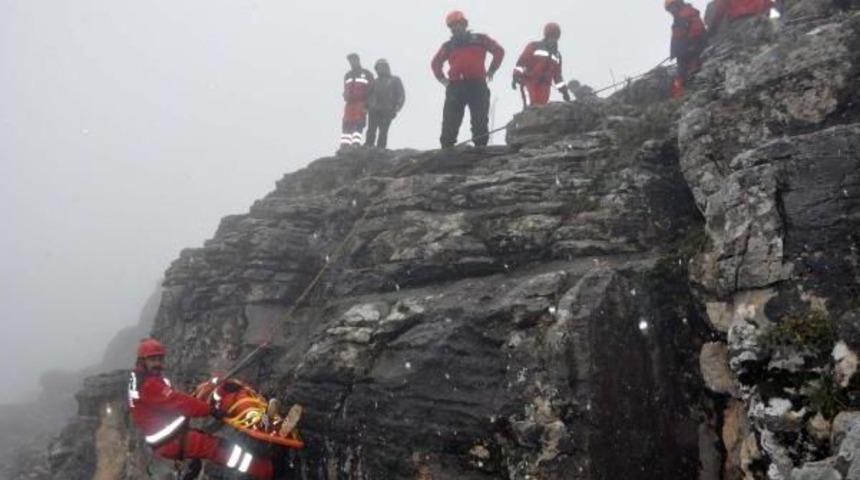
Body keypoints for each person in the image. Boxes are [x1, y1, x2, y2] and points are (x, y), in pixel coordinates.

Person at [128, 338, 276, 480]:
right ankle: (268, 471)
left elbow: (170, 400)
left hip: (167, 439)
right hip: (172, 440)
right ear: (142, 361)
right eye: (153, 360)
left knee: (216, 447)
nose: (158, 364)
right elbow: (178, 401)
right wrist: (210, 410)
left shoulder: (138, 378)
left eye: (160, 359)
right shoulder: (149, 385)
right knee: (222, 450)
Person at [431, 10, 505, 149]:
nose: (454, 27)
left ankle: (481, 150)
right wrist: (443, 80)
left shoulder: (480, 39)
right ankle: (446, 151)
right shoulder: (448, 46)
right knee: (450, 122)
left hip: (477, 85)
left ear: (464, 24)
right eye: (451, 25)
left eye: (457, 24)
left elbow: (499, 51)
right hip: (455, 87)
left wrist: (492, 70)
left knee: (480, 120)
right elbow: (435, 63)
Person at [512, 22, 572, 106]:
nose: (553, 38)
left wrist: (564, 91)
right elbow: (522, 62)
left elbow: (557, 76)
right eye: (552, 35)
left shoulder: (557, 55)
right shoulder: (534, 46)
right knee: (534, 106)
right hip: (531, 81)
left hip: (545, 85)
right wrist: (516, 75)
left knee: (540, 107)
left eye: (555, 35)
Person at [665, 0, 707, 98]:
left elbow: (693, 31)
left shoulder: (685, 15)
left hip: (689, 50)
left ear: (678, 4)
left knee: (681, 75)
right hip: (687, 50)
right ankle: (680, 95)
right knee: (683, 73)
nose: (671, 11)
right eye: (669, 10)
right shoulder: (683, 15)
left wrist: (690, 46)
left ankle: (679, 96)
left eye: (671, 8)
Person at [365, 59, 405, 149]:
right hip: (374, 110)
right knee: (371, 129)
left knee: (383, 131)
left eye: (382, 67)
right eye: (378, 68)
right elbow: (369, 95)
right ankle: (368, 145)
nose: (380, 69)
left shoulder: (395, 80)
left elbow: (401, 94)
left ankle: (381, 149)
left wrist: (397, 107)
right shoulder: (375, 82)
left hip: (388, 109)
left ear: (386, 67)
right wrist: (367, 106)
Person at [340, 53, 374, 149]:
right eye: (350, 61)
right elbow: (345, 88)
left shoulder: (367, 74)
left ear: (358, 60)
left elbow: (371, 90)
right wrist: (345, 95)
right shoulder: (347, 75)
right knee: (346, 123)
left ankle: (355, 143)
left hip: (361, 102)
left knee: (358, 123)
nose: (352, 62)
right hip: (349, 103)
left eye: (353, 60)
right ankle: (345, 144)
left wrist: (367, 105)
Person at [707, 0, 774, 31]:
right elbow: (767, 3)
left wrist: (713, 26)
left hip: (739, 21)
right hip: (759, 17)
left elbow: (720, 8)